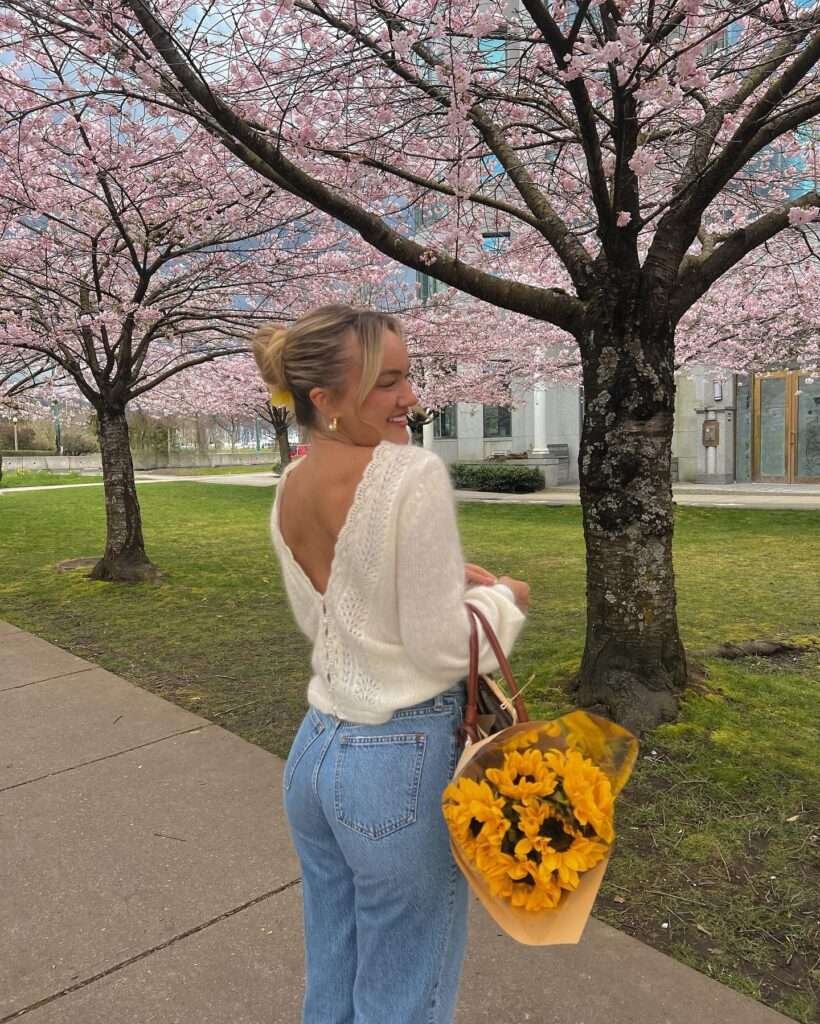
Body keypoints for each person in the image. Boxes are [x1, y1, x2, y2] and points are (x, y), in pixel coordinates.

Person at [253, 304, 529, 1024]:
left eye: (409, 378)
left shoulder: (293, 483)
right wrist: (502, 601)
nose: (410, 398)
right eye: (387, 383)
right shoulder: (408, 475)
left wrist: (437, 578)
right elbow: (443, 649)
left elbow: (337, 613)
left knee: (336, 973)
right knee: (406, 994)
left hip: (317, 754)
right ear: (327, 399)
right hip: (399, 762)